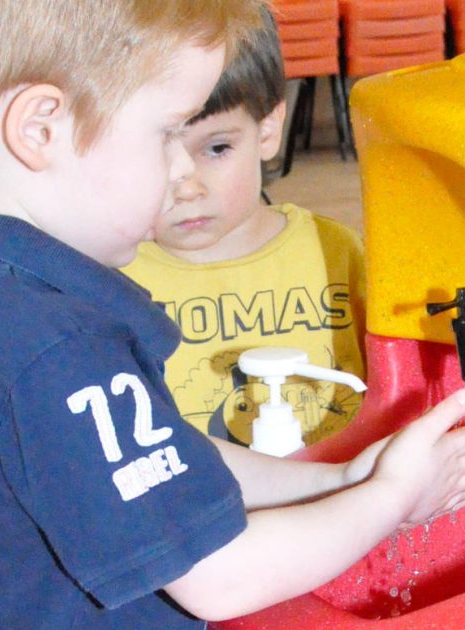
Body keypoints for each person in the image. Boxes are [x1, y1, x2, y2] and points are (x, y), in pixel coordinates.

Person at [0, 1, 465, 630]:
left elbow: (171, 460)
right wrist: (393, 496)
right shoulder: (55, 341)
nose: (179, 174)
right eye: (165, 133)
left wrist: (337, 480)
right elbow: (221, 576)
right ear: (42, 129)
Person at [122, 8, 365, 448]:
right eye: (153, 151)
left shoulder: (339, 253)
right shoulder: (112, 282)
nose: (187, 186)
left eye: (216, 148)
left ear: (268, 128)